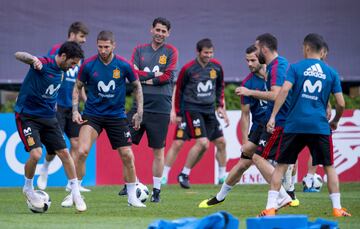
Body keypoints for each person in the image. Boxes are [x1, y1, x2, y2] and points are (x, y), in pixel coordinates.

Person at [259, 33, 351, 217]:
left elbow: (284, 90)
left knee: (281, 166)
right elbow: (341, 103)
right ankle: (337, 208)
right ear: (322, 51)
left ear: (307, 48)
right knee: (329, 167)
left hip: (294, 125)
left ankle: (270, 208)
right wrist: (335, 121)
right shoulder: (331, 72)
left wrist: (274, 116)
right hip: (319, 126)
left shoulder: (295, 67)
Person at [198, 44, 291, 209]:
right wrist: (245, 140)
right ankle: (220, 197)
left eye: (252, 60)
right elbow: (245, 115)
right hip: (260, 127)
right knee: (243, 163)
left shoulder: (275, 75)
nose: (249, 64)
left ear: (262, 58)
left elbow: (279, 95)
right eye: (247, 61)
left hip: (275, 124)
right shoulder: (248, 82)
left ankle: (285, 194)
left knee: (261, 158)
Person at [69, 30, 145, 208]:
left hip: (116, 116)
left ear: (113, 46)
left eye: (106, 47)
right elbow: (76, 87)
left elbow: (137, 87)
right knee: (81, 151)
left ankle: (132, 197)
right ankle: (75, 193)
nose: (103, 50)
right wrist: (75, 110)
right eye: (100, 47)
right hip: (93, 115)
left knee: (127, 155)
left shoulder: (124, 65)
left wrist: (139, 110)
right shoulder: (88, 65)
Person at [14, 41, 87, 212]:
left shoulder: (62, 72)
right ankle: (28, 188)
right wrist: (32, 59)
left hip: (49, 118)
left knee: (64, 153)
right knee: (36, 153)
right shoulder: (43, 64)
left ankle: (76, 193)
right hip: (27, 116)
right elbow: (18, 54)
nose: (73, 67)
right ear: (63, 56)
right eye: (72, 63)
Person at [118, 17, 178, 203]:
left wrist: (144, 77)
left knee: (158, 151)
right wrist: (153, 76)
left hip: (161, 107)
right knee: (124, 144)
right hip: (139, 105)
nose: (160, 34)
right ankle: (131, 182)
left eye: (163, 31)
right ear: (151, 30)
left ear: (168, 33)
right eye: (157, 30)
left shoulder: (171, 51)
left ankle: (157, 191)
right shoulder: (139, 50)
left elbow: (167, 77)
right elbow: (132, 73)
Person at [37, 21, 90, 192]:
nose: (84, 40)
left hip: (72, 106)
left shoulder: (79, 57)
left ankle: (71, 183)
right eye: (82, 36)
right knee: (54, 147)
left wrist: (85, 100)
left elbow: (79, 83)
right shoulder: (56, 51)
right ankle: (45, 167)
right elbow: (45, 73)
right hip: (56, 106)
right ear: (73, 34)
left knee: (76, 143)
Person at [173, 38, 229, 189]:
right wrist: (178, 112)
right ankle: (184, 174)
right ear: (198, 52)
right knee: (203, 143)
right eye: (206, 52)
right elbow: (179, 90)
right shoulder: (188, 68)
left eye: (211, 52)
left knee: (221, 142)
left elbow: (220, 87)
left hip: (210, 110)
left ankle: (222, 176)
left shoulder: (216, 67)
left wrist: (220, 106)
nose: (208, 55)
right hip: (193, 110)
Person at [161, 84, 228, 185]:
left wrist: (222, 108)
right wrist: (173, 110)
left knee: (221, 142)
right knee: (178, 143)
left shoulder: (215, 70)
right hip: (188, 113)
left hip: (208, 114)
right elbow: (178, 88)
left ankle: (222, 176)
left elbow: (219, 91)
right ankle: (164, 176)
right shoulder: (190, 70)